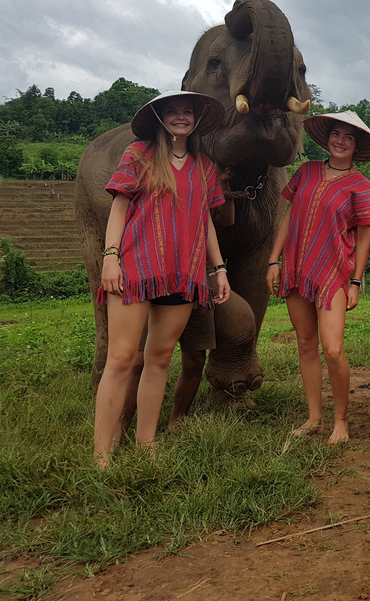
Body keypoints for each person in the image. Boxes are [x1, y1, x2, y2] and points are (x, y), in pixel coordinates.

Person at [94, 90, 231, 468]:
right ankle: (101, 454)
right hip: (136, 270)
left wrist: (219, 269)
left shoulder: (205, 167)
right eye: (172, 111)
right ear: (160, 117)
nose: (180, 116)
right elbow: (119, 207)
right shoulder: (138, 154)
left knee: (159, 359)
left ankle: (147, 444)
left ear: (196, 119)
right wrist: (110, 258)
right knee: (121, 358)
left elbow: (205, 220)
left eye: (187, 111)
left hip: (184, 274)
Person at [266, 111, 370, 445]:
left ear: (356, 145)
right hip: (297, 270)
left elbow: (364, 239)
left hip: (333, 274)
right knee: (305, 343)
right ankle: (314, 419)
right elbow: (289, 215)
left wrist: (356, 282)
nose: (340, 141)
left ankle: (341, 421)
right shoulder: (306, 171)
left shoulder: (361, 186)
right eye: (336, 134)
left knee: (332, 350)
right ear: (327, 137)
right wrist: (274, 259)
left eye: (348, 137)